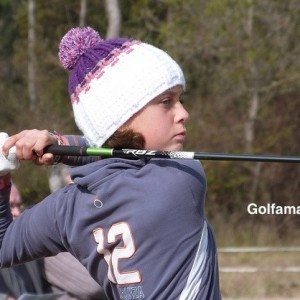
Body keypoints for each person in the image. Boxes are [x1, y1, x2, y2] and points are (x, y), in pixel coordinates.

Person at [0, 27, 221, 299]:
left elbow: (4, 244)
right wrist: (60, 146)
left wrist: (3, 177)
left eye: (180, 100)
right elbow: (114, 152)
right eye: (167, 102)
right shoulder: (182, 177)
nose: (183, 113)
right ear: (122, 119)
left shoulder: (66, 208)